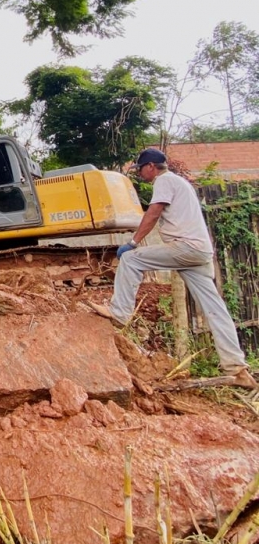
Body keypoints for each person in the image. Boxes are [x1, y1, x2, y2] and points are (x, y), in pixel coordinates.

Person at [91, 148, 257, 389]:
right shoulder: (181, 183)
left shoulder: (165, 180)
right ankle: (237, 367)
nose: (141, 174)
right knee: (215, 308)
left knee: (131, 259)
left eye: (141, 169)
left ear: (150, 166)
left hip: (186, 248)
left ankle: (119, 312)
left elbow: (154, 212)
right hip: (200, 252)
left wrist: (133, 242)